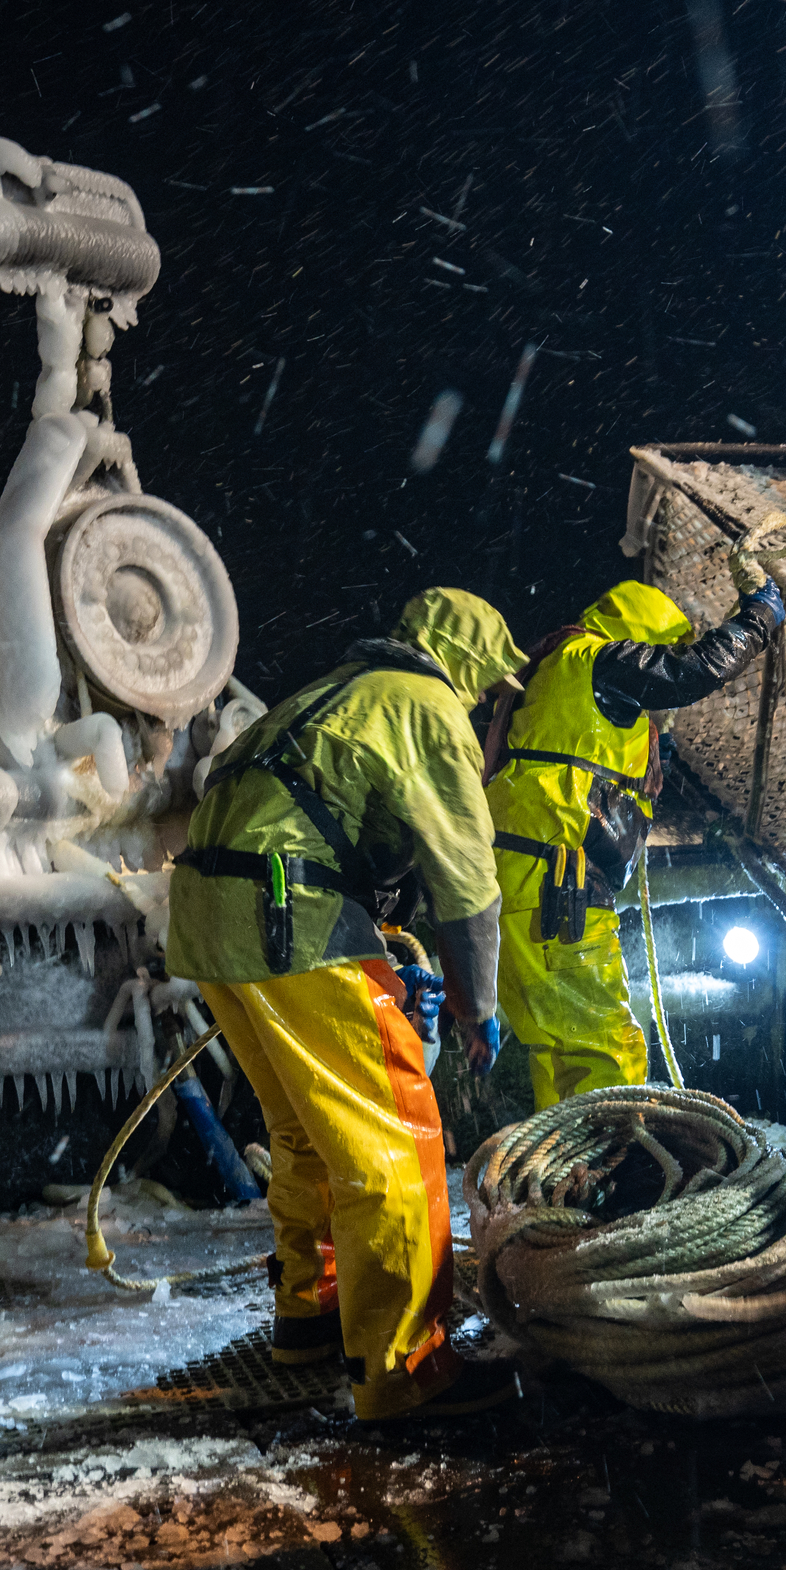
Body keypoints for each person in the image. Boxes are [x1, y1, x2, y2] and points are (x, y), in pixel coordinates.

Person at [166, 586, 523, 1420]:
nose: (489, 705)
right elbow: (469, 881)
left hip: (211, 914)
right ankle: (405, 1370)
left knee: (305, 1128)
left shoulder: (336, 690)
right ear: (471, 667)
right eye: (492, 689)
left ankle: (312, 1305)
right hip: (290, 916)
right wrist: (477, 1002)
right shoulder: (428, 707)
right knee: (396, 1143)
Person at [486, 568, 784, 1104]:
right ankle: (612, 1177)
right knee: (609, 1053)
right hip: (558, 890)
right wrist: (759, 619)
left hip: (525, 886)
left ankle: (561, 1178)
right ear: (643, 638)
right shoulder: (599, 659)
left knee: (560, 1053)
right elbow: (693, 672)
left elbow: (579, 771)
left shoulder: (558, 671)